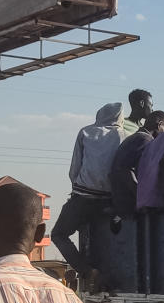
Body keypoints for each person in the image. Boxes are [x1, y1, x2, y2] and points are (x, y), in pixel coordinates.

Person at [50, 103, 128, 289]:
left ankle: (87, 271)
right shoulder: (125, 136)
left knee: (59, 235)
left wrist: (78, 187)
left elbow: (74, 169)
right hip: (111, 200)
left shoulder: (86, 132)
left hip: (84, 196)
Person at [109, 110, 164, 222]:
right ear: (159, 124)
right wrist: (141, 195)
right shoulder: (144, 140)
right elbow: (126, 169)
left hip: (120, 197)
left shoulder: (133, 138)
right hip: (128, 200)